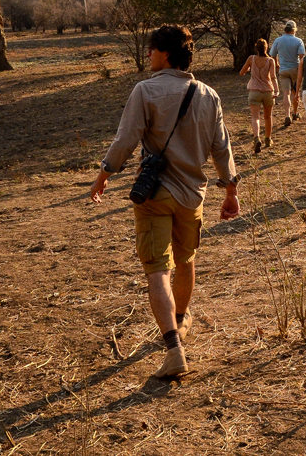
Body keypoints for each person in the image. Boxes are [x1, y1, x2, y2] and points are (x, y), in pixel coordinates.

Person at [90, 25, 241, 378]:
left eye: (152, 49)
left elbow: (126, 139)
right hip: (193, 196)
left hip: (155, 195)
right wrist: (230, 190)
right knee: (186, 260)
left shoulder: (145, 90)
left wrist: (103, 175)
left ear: (166, 54)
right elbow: (222, 148)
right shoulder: (209, 94)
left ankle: (173, 349)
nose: (148, 55)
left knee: (158, 270)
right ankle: (179, 321)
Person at [239, 38, 279, 154]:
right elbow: (273, 77)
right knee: (268, 116)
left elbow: (241, 72)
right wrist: (276, 90)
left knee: (255, 117)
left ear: (256, 48)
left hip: (254, 90)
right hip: (267, 91)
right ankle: (268, 138)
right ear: (267, 49)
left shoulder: (251, 58)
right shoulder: (270, 61)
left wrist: (251, 69)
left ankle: (256, 138)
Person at [269, 20, 305, 127]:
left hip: (283, 70)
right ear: (294, 30)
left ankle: (287, 115)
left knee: (286, 93)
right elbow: (301, 56)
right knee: (295, 92)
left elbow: (273, 55)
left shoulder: (278, 40)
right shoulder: (298, 41)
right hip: (295, 69)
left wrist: (277, 64)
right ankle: (295, 113)